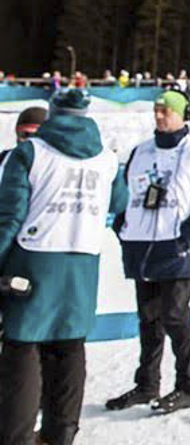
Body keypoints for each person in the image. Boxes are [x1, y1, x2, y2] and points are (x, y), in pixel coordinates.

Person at [0, 88, 128, 445]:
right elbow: (120, 200)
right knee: (69, 347)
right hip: (82, 265)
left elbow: (10, 217)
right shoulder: (106, 158)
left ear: (53, 113)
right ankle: (61, 434)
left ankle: (16, 436)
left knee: (22, 348)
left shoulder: (31, 153)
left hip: (33, 261)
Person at [106, 90, 190, 414]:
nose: (160, 115)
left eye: (167, 110)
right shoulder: (140, 151)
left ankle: (187, 386)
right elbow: (124, 194)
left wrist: (188, 234)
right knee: (148, 319)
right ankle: (147, 384)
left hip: (176, 250)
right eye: (157, 109)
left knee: (174, 316)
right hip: (141, 247)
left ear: (183, 114)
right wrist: (122, 225)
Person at [0, 107, 46, 173]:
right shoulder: (4, 159)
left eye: (36, 136)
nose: (30, 142)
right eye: (25, 135)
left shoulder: (59, 164)